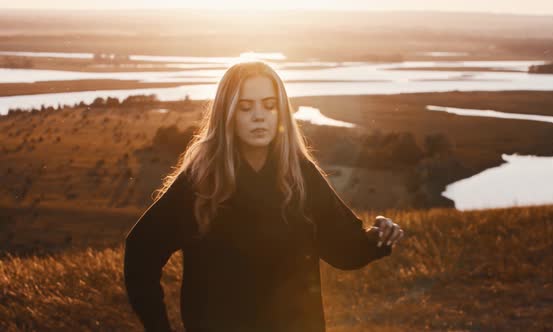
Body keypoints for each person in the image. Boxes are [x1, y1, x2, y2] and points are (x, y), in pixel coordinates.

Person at [123, 60, 404, 332]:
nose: (259, 115)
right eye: (245, 107)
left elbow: (341, 249)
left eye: (270, 106)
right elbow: (141, 251)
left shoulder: (300, 174)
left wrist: (376, 239)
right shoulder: (200, 181)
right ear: (227, 114)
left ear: (281, 112)